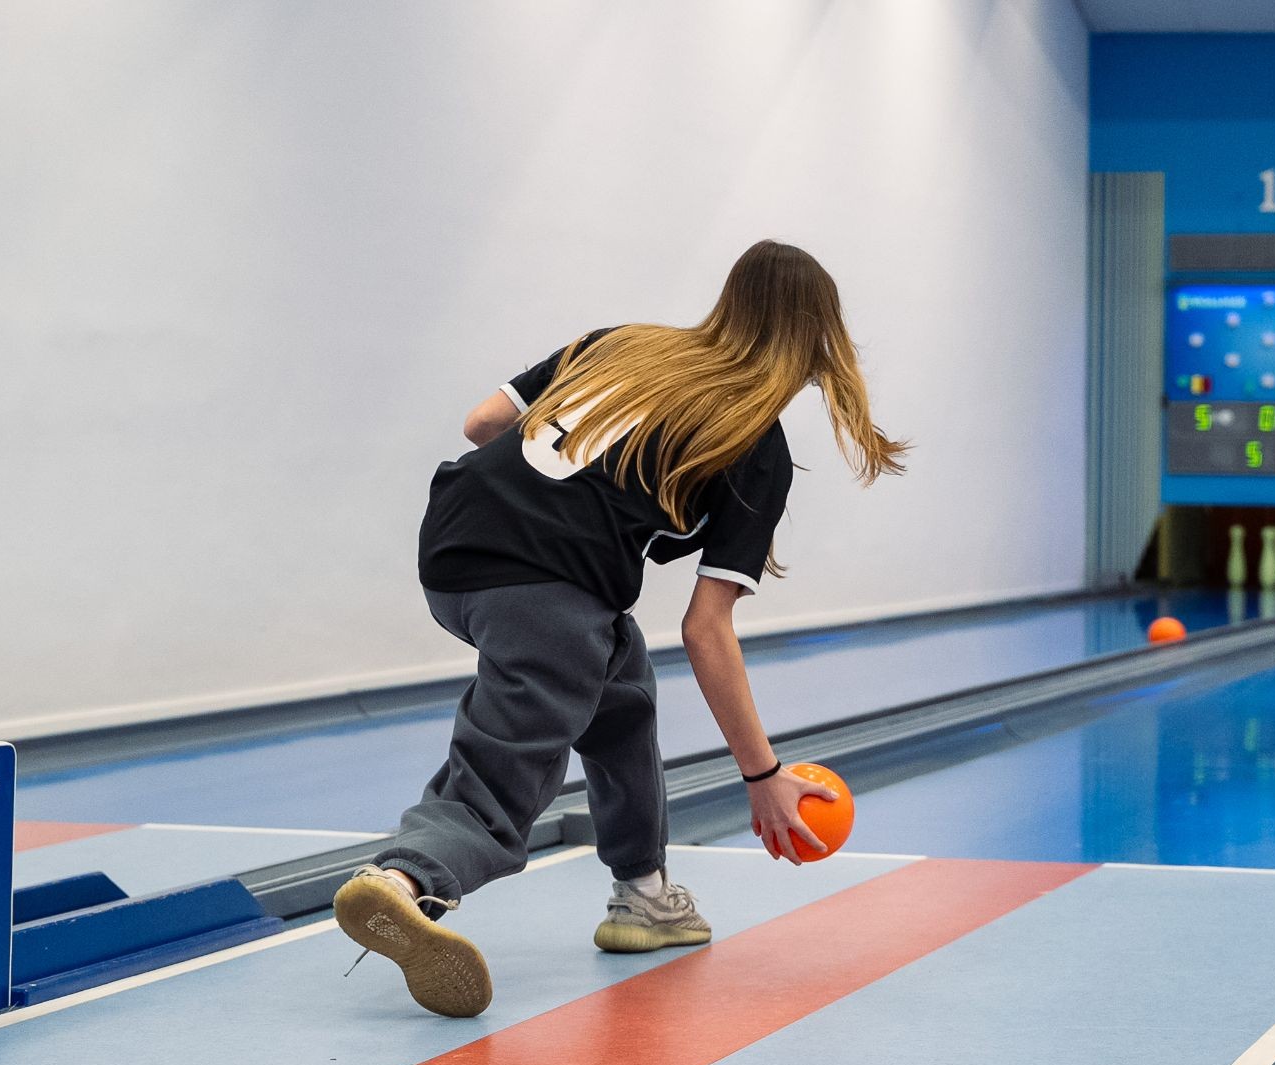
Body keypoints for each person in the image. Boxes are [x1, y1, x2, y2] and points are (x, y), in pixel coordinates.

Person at [334, 239, 907, 1018]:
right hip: (541, 592)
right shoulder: (753, 438)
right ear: (817, 340)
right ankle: (404, 881)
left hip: (451, 549)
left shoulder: (621, 344)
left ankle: (644, 893)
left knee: (618, 690)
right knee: (506, 772)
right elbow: (706, 630)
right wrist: (763, 775)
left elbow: (482, 423)